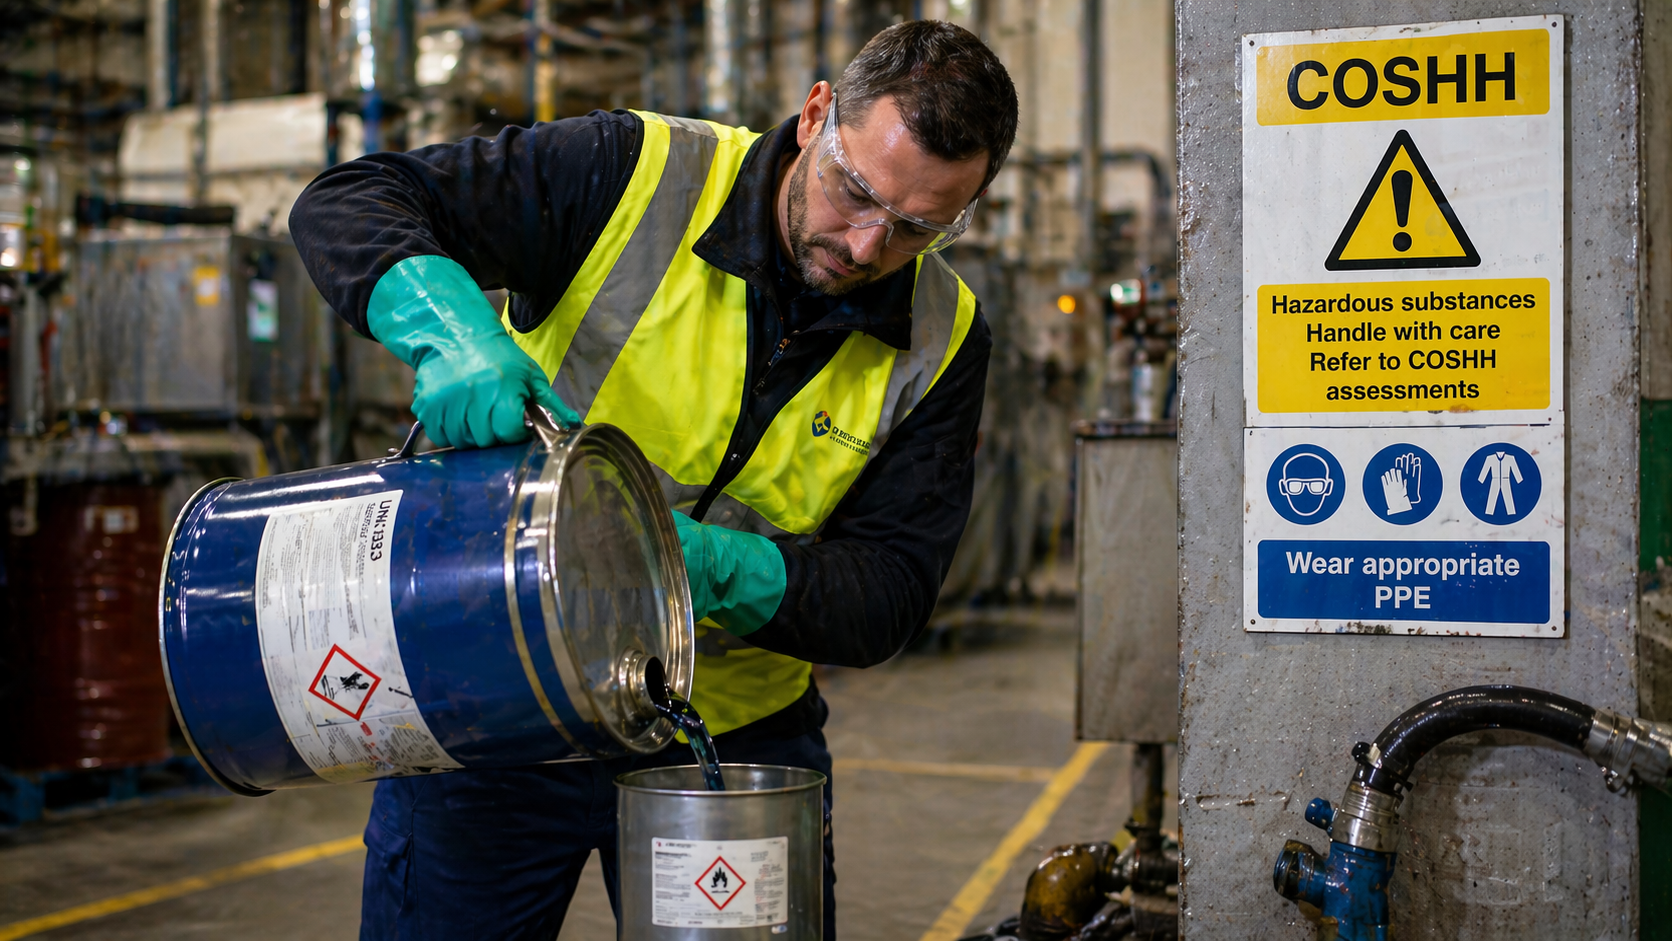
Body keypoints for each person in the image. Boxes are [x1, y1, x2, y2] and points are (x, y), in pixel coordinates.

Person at [290, 18, 1017, 939]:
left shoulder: (944, 339)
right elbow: (353, 199)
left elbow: (886, 595)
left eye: (920, 226)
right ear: (816, 115)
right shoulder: (631, 176)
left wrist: (699, 566)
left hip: (727, 741)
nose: (869, 247)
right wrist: (448, 327)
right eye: (855, 192)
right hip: (500, 702)